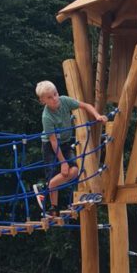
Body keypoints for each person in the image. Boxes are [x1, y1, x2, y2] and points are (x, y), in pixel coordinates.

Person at [33, 80, 108, 216]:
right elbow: (53, 141)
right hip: (50, 146)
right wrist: (63, 162)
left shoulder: (64, 101)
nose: (55, 99)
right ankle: (53, 207)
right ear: (43, 101)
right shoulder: (46, 117)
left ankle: (45, 187)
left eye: (55, 94)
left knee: (73, 171)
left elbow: (85, 105)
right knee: (54, 172)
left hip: (65, 143)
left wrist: (97, 116)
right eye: (49, 97)